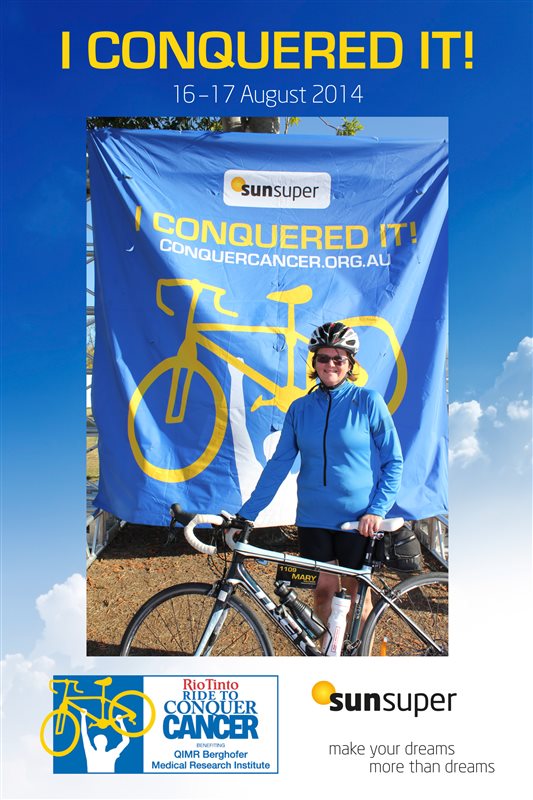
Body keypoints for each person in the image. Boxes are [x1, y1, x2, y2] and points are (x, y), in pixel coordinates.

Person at [238, 321, 403, 631]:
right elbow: (278, 465)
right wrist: (248, 513)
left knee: (357, 601)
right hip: (313, 518)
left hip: (358, 520)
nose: (331, 365)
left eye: (339, 358)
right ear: (314, 363)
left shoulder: (368, 402)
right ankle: (329, 654)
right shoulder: (300, 409)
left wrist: (377, 509)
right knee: (323, 595)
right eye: (323, 358)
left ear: (350, 364)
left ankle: (359, 655)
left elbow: (394, 461)